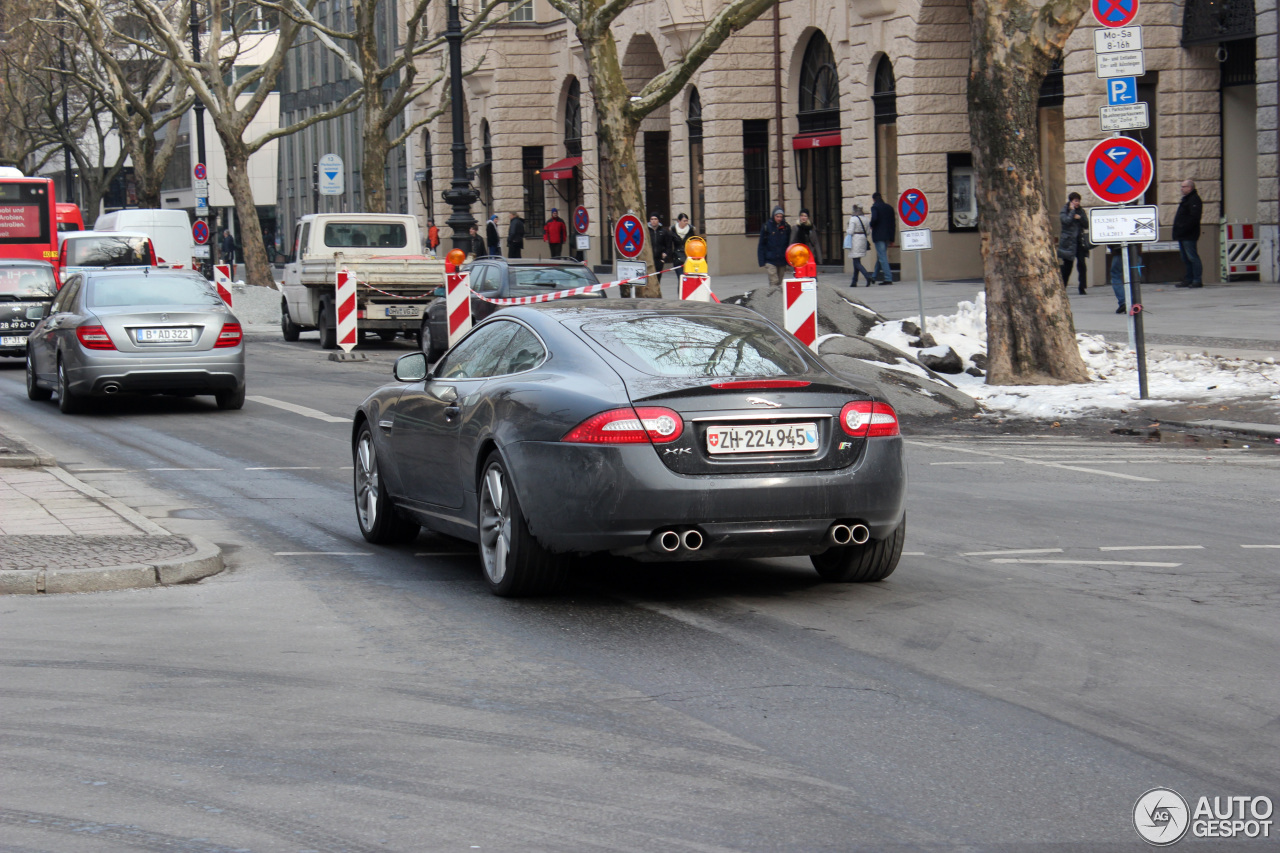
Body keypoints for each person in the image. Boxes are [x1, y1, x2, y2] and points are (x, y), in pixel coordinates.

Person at [1173, 178, 1203, 288]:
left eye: (1183, 187)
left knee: (1192, 257)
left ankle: (1197, 279)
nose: (1181, 189)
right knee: (1185, 258)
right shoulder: (1186, 199)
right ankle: (1188, 279)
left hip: (1189, 234)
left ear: (1190, 188)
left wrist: (1183, 227)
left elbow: (1194, 218)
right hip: (1182, 234)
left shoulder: (1194, 200)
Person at [1058, 192, 1089, 295]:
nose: (1077, 203)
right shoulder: (1065, 210)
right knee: (1068, 266)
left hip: (1079, 242)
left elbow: (1086, 225)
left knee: (1082, 265)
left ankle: (1082, 287)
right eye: (1075, 201)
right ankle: (1063, 286)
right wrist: (1072, 212)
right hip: (1068, 243)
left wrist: (1080, 218)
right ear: (1071, 201)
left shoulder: (1081, 211)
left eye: (1078, 201)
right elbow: (1065, 221)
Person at [757, 207, 791, 289]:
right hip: (770, 259)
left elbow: (789, 243)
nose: (779, 218)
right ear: (773, 216)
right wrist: (762, 261)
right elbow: (761, 244)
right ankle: (773, 299)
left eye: (781, 217)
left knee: (780, 282)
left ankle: (778, 300)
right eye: (777, 216)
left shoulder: (786, 227)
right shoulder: (767, 227)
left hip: (782, 259)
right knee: (774, 282)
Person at [869, 193, 896, 284]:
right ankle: (874, 276)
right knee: (881, 256)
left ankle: (888, 278)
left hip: (879, 235)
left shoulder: (875, 207)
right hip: (887, 235)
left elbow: (874, 219)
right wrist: (892, 239)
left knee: (882, 256)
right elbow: (893, 224)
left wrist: (871, 225)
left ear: (873, 199)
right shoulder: (889, 207)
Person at [845, 204, 874, 287]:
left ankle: (867, 276)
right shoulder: (866, 219)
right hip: (863, 239)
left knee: (856, 261)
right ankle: (854, 281)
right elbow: (868, 232)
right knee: (857, 261)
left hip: (855, 240)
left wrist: (847, 229)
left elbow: (850, 231)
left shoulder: (853, 219)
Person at [648, 213, 674, 283]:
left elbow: (668, 245)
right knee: (649, 280)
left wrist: (665, 257)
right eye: (652, 219)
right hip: (649, 259)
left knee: (657, 280)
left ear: (658, 220)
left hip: (659, 259)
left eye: (655, 219)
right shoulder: (647, 231)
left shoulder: (664, 232)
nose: (653, 221)